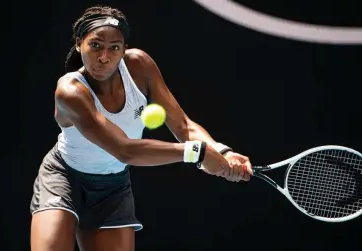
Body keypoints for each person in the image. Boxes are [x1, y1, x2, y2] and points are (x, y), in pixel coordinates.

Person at [30, 5, 253, 251]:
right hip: (64, 179)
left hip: (112, 189)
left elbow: (183, 125)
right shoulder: (70, 92)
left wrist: (222, 152)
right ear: (79, 42)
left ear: (123, 49)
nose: (104, 57)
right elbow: (125, 150)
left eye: (114, 48)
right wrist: (197, 153)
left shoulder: (139, 66)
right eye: (95, 45)